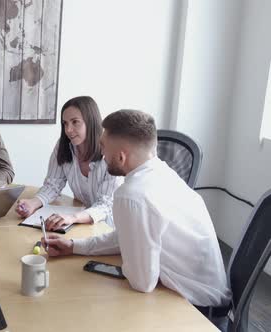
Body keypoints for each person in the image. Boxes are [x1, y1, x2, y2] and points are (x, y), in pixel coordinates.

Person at [42, 109, 231, 311]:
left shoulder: (132, 195)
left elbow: (142, 283)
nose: (102, 154)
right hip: (211, 296)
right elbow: (127, 236)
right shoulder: (163, 173)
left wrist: (130, 262)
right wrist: (73, 246)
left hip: (193, 308)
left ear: (121, 156)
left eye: (104, 147)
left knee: (83, 304)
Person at [15, 96, 123, 229]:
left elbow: (106, 206)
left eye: (75, 122)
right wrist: (34, 203)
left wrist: (73, 218)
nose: (68, 130)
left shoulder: (109, 151)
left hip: (109, 227)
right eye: (65, 123)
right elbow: (53, 184)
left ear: (91, 121)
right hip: (81, 223)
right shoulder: (64, 145)